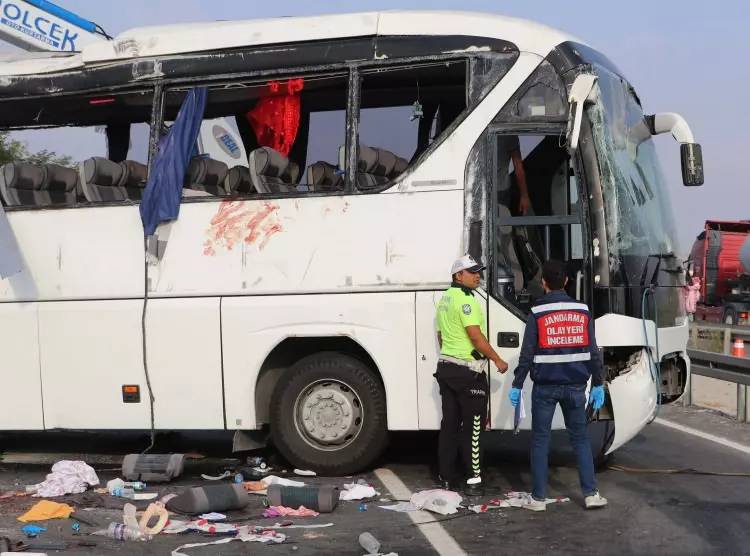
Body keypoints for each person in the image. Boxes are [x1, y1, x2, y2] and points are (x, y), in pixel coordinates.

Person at [508, 259, 608, 511]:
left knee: (541, 441)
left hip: (545, 388)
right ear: (566, 281)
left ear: (543, 283)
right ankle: (591, 494)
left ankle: (539, 499)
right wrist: (598, 383)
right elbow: (592, 352)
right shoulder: (583, 311)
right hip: (576, 386)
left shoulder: (537, 312)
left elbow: (527, 353)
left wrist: (517, 384)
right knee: (581, 440)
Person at [435, 254, 509, 496]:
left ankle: (446, 477)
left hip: (446, 368)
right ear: (458, 275)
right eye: (472, 272)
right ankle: (474, 480)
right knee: (474, 428)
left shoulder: (445, 298)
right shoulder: (466, 301)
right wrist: (497, 359)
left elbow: (441, 336)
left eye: (479, 272)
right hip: (468, 373)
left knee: (449, 426)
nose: (478, 276)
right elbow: (475, 337)